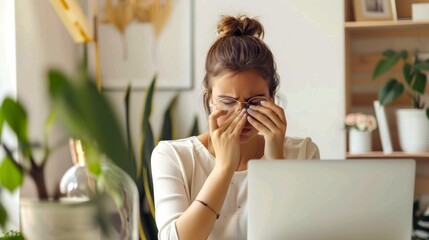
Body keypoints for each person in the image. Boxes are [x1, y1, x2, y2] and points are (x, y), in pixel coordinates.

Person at [151, 15, 320, 240]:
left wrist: (275, 161)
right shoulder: (174, 156)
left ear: (272, 98)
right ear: (210, 99)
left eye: (256, 101)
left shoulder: (303, 154)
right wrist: (224, 167)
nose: (241, 114)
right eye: (228, 102)